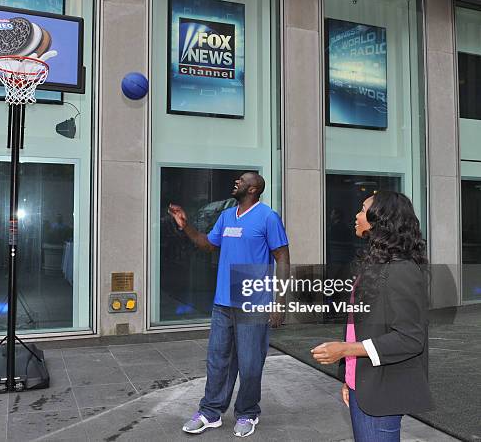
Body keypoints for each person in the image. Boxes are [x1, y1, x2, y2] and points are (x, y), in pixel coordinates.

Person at [168, 172, 290, 438]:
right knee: (217, 361)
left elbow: (282, 258)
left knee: (250, 364)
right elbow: (208, 244)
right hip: (223, 303)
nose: (236, 181)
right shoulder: (226, 216)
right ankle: (210, 413)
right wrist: (185, 225)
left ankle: (247, 413)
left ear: (254, 188)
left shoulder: (268, 217)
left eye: (242, 180)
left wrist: (279, 302)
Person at [311, 191, 434, 442]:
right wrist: (349, 377)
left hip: (383, 391)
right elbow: (360, 327)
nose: (356, 215)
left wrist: (345, 350)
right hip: (363, 383)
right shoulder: (376, 263)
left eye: (362, 209)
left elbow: (410, 339)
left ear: (381, 219)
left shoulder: (402, 270)